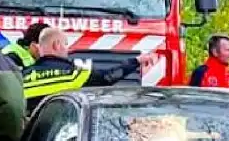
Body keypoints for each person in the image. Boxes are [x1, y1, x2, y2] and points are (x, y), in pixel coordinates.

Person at [22, 27, 157, 113]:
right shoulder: (75, 75)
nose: (67, 50)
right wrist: (137, 61)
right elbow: (108, 77)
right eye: (65, 44)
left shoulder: (23, 76)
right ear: (57, 45)